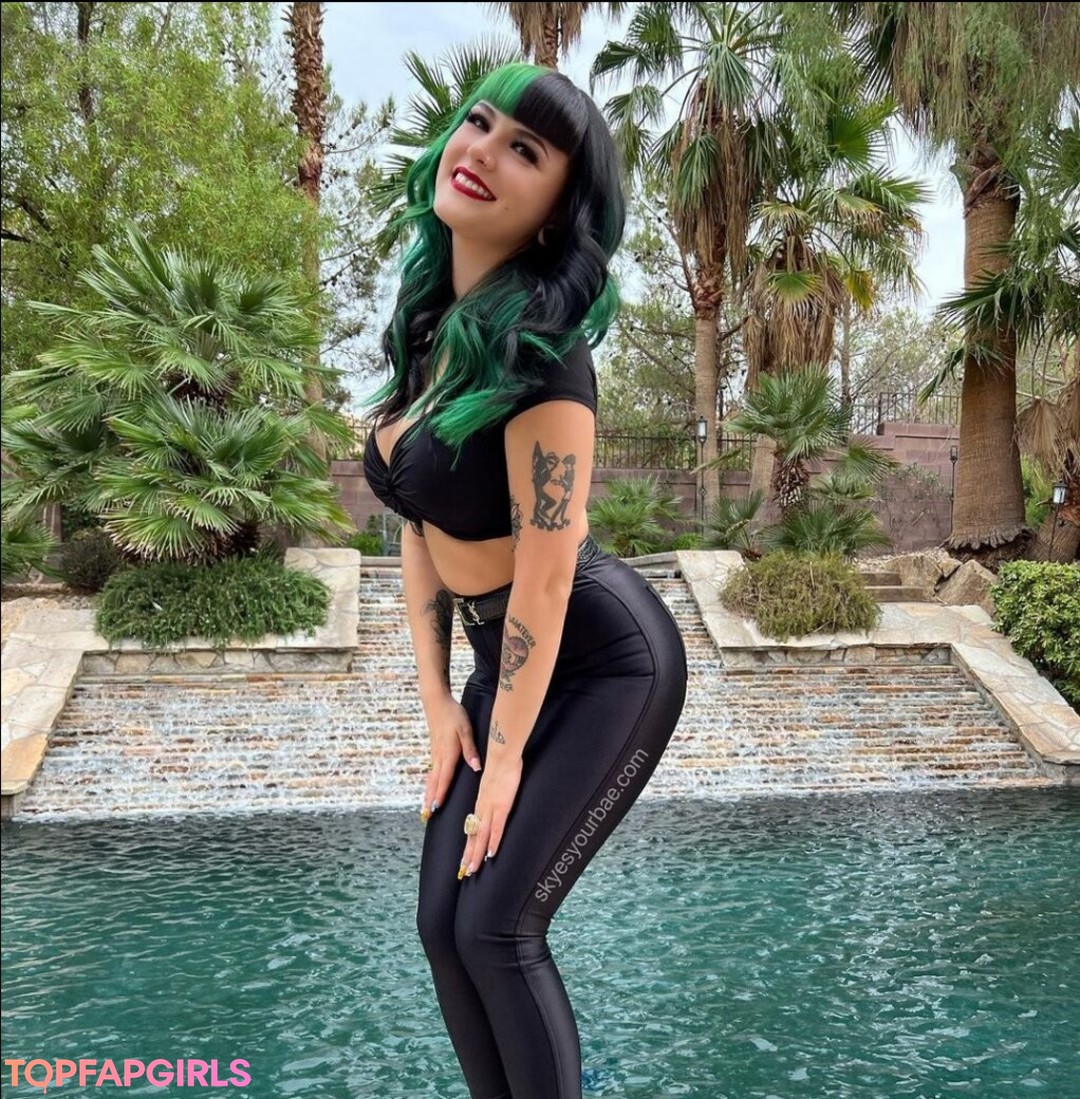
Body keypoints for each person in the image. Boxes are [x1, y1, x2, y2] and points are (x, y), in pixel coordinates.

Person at [362, 61, 688, 1099]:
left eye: (526, 150)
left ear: (556, 212)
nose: (483, 152)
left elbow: (545, 579)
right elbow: (418, 526)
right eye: (480, 122)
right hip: (499, 660)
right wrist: (437, 708)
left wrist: (502, 762)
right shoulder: (429, 335)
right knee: (442, 924)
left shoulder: (545, 359)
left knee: (499, 926)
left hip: (603, 663)